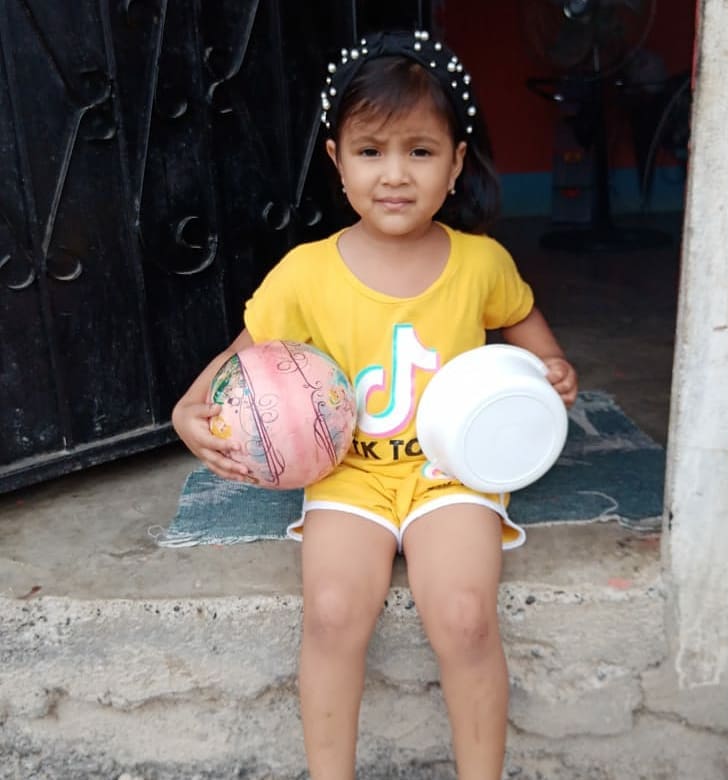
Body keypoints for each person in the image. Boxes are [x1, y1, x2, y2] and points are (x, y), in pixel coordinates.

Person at [172, 29, 577, 780]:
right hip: (348, 475)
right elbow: (242, 353)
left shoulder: (480, 262)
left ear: (456, 162)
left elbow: (524, 321)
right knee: (332, 612)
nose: (395, 174)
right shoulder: (306, 272)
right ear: (337, 160)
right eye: (370, 151)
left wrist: (549, 368)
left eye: (420, 151)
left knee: (463, 615)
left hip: (451, 473)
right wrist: (187, 409)